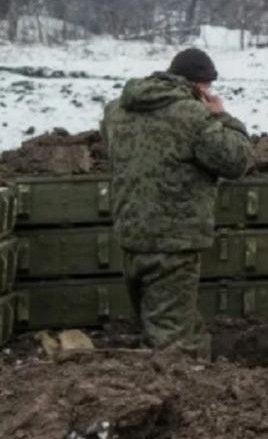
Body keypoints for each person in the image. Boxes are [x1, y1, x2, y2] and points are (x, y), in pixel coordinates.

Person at [100, 48, 251, 356]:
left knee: (162, 324)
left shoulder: (116, 110)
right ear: (199, 86)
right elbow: (235, 160)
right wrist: (221, 115)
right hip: (173, 244)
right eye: (207, 88)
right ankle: (170, 396)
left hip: (131, 237)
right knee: (172, 342)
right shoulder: (193, 116)